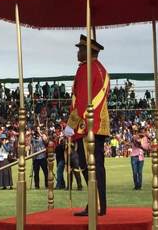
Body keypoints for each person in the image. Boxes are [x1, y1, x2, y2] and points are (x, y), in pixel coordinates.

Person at [64, 34, 110, 216]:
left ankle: (95, 204)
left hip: (88, 125)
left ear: (88, 51)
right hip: (99, 124)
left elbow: (82, 101)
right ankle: (100, 204)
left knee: (87, 164)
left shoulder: (85, 70)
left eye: (80, 49)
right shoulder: (102, 70)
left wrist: (70, 126)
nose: (78, 52)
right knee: (98, 165)